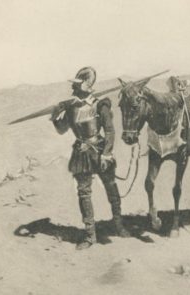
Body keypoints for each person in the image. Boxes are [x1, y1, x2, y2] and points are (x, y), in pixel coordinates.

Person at [51, 67, 129, 250]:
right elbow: (62, 129)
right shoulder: (70, 108)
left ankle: (119, 226)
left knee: (110, 186)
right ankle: (90, 235)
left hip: (100, 149)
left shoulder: (100, 105)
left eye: (79, 85)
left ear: (88, 85)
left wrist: (107, 153)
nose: (75, 89)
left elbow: (109, 131)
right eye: (76, 85)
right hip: (81, 152)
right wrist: (55, 117)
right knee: (84, 193)